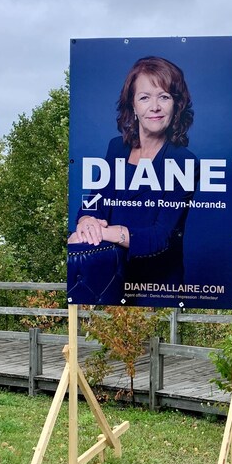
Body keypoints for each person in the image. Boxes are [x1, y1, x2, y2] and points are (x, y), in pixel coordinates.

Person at [67, 56, 197, 304]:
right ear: (133, 106)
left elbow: (161, 236)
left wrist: (104, 233)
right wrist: (86, 222)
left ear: (176, 106)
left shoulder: (184, 162)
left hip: (157, 289)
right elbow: (95, 202)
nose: (155, 107)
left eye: (164, 97)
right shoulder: (116, 148)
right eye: (145, 97)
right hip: (109, 278)